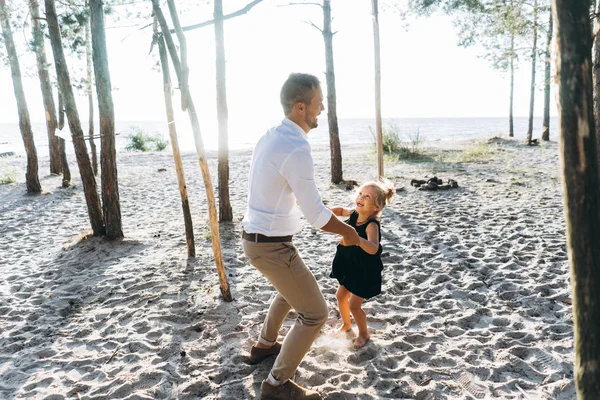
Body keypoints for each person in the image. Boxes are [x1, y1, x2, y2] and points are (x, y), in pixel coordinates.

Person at [242, 73, 360, 400]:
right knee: (315, 313)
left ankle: (264, 347)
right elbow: (316, 220)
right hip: (271, 247)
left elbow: (277, 190)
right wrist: (350, 233)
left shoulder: (271, 136)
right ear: (299, 107)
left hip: (255, 239)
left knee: (291, 290)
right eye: (317, 103)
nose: (322, 108)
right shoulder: (297, 147)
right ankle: (276, 385)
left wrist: (326, 208)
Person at [329, 180, 395, 349]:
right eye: (360, 193)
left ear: (376, 207)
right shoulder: (354, 213)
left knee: (354, 304)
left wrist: (357, 240)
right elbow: (341, 211)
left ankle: (364, 333)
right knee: (341, 296)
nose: (361, 197)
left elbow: (373, 248)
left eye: (368, 196)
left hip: (365, 270)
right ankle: (346, 324)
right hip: (351, 265)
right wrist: (326, 212)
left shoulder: (372, 225)